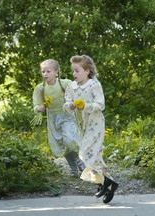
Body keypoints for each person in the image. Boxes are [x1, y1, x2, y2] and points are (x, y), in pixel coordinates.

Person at [63, 55, 118, 203]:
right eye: (73, 71)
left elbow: (100, 104)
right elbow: (67, 103)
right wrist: (71, 105)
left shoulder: (94, 85)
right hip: (82, 124)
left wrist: (85, 106)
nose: (74, 74)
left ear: (87, 71)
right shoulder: (72, 86)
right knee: (95, 155)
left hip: (95, 123)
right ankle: (107, 184)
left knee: (86, 153)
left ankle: (105, 182)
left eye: (77, 71)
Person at [32, 59, 85, 177]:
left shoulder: (64, 84)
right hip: (53, 119)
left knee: (69, 139)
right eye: (43, 71)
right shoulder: (40, 88)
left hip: (67, 116)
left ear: (56, 72)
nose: (45, 74)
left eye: (48, 71)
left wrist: (73, 103)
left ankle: (78, 161)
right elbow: (36, 105)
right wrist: (39, 108)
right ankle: (73, 169)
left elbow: (76, 93)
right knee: (62, 144)